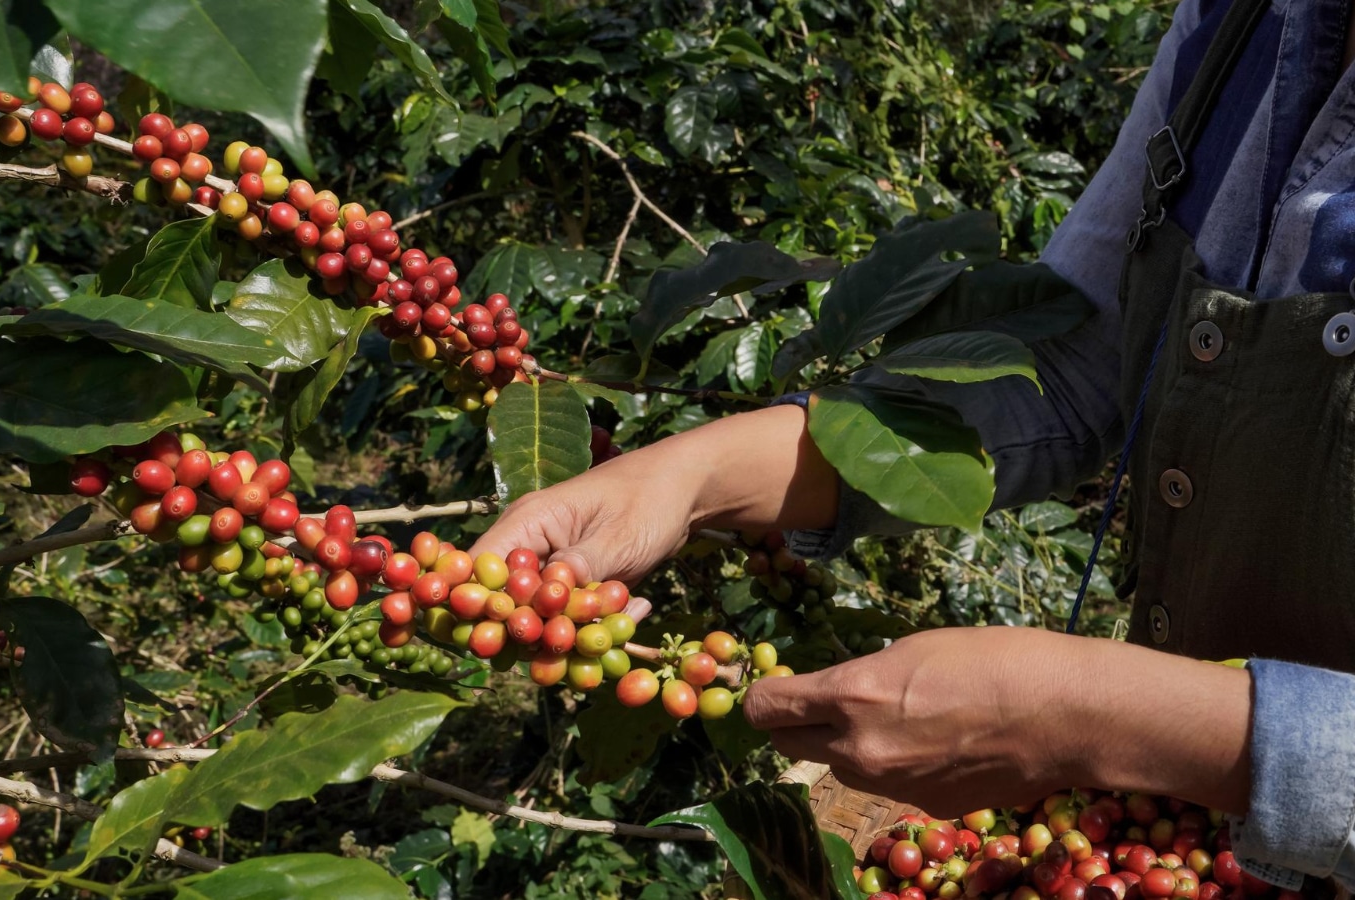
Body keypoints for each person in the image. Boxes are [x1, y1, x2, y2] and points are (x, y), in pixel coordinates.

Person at [471, 0, 1355, 888]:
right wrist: (689, 474)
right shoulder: (1239, 24)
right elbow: (1078, 357)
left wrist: (1097, 715)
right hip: (1182, 844)